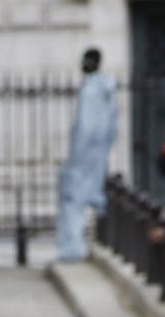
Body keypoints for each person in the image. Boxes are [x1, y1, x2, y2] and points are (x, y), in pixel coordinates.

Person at [57, 48, 118, 262]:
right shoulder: (103, 90)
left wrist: (76, 159)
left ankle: (74, 249)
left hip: (85, 156)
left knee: (74, 200)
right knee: (93, 198)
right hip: (95, 154)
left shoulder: (92, 91)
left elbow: (86, 127)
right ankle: (88, 244)